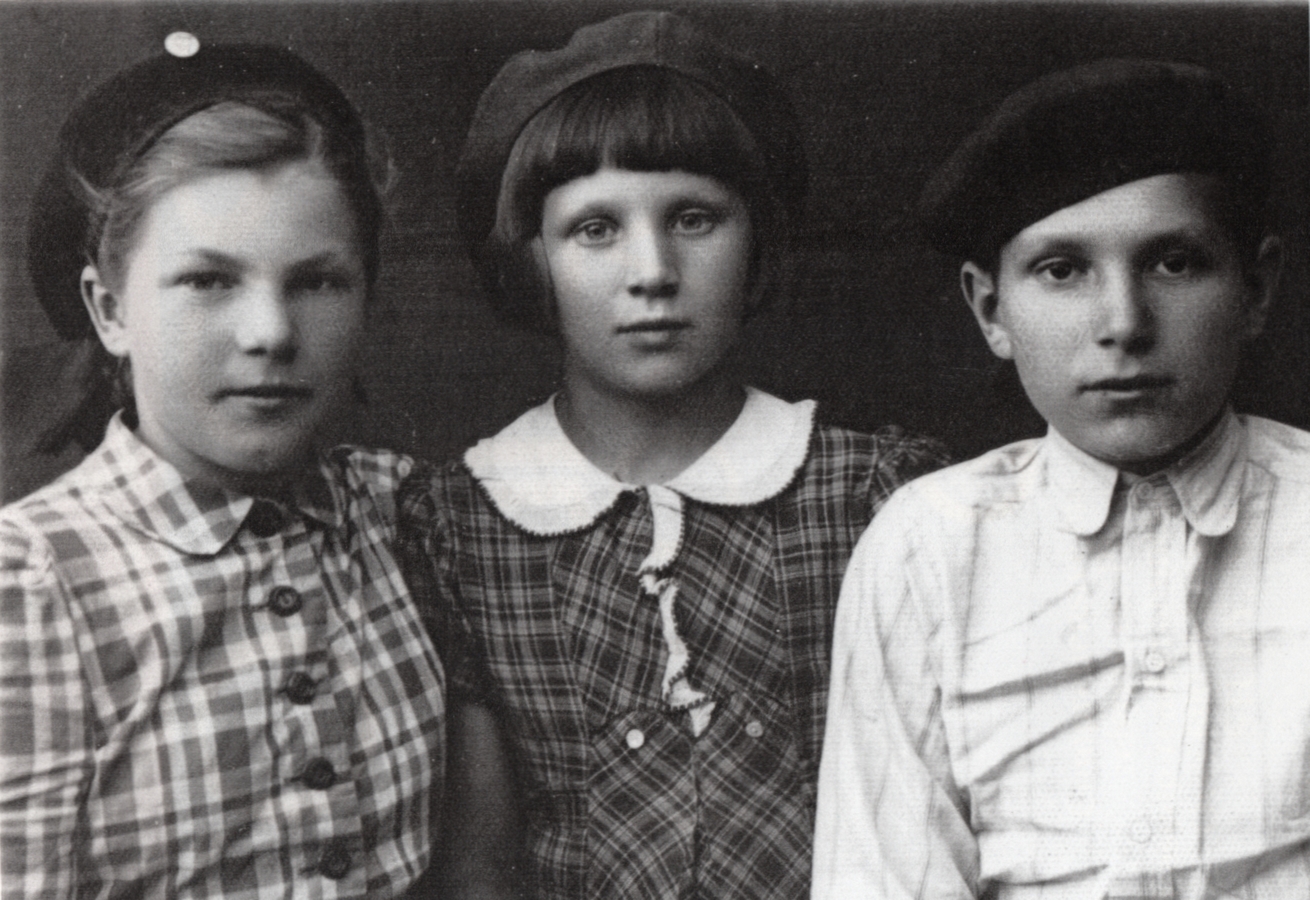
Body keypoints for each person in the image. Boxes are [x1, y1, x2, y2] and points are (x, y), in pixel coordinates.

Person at [396, 11, 947, 900]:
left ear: (756, 241)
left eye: (693, 218)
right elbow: (478, 864)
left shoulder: (872, 493)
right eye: (595, 229)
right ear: (530, 260)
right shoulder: (465, 525)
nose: (651, 270)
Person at [811, 59, 1306, 899]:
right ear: (991, 310)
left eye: (1175, 263)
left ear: (1256, 288)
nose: (1123, 323)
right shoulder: (929, 548)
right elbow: (883, 876)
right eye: (1062, 270)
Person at [0, 38, 446, 899]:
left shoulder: (408, 513)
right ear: (108, 309)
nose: (270, 333)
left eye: (318, 283)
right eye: (208, 281)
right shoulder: (32, 585)